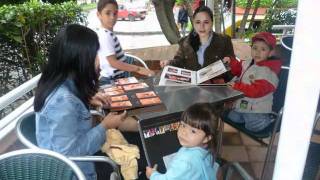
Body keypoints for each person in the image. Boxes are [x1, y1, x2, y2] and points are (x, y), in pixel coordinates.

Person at [34, 24, 127, 180]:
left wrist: (87, 99)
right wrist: (105, 126)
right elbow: (69, 154)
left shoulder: (58, 82)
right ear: (79, 59)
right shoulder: (62, 101)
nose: (99, 59)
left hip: (73, 162)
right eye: (95, 54)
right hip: (74, 172)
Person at [223, 32, 282, 132]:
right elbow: (238, 69)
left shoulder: (269, 71)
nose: (257, 52)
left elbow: (256, 91)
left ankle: (268, 119)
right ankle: (244, 116)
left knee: (252, 127)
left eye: (263, 49)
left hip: (258, 108)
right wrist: (231, 62)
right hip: (244, 103)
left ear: (271, 52)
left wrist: (237, 87)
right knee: (233, 117)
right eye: (255, 48)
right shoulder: (248, 62)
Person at [160, 6, 235, 83]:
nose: (202, 26)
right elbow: (178, 61)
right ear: (194, 23)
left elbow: (234, 67)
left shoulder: (224, 40)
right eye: (198, 22)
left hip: (216, 88)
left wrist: (229, 61)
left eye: (206, 22)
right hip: (192, 88)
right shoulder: (185, 42)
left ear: (212, 23)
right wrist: (168, 63)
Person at [145, 103, 221, 180]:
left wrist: (152, 175)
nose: (183, 132)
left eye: (193, 131)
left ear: (206, 138)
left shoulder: (185, 161)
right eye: (183, 125)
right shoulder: (206, 150)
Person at [96, 0, 155, 85]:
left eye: (115, 13)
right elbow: (113, 63)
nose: (112, 17)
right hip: (111, 80)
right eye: (108, 13)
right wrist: (139, 69)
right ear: (98, 15)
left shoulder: (106, 33)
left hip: (114, 78)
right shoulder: (105, 35)